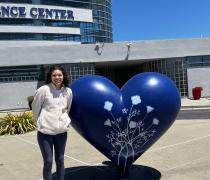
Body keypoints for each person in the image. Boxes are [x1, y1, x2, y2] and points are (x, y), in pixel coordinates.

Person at [32, 65, 73, 180]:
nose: (57, 77)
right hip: (45, 133)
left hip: (61, 133)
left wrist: (64, 121)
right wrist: (40, 121)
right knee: (48, 161)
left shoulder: (68, 91)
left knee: (60, 159)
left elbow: (67, 109)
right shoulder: (43, 90)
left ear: (63, 76)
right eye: (54, 75)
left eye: (59, 75)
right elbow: (35, 108)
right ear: (50, 77)